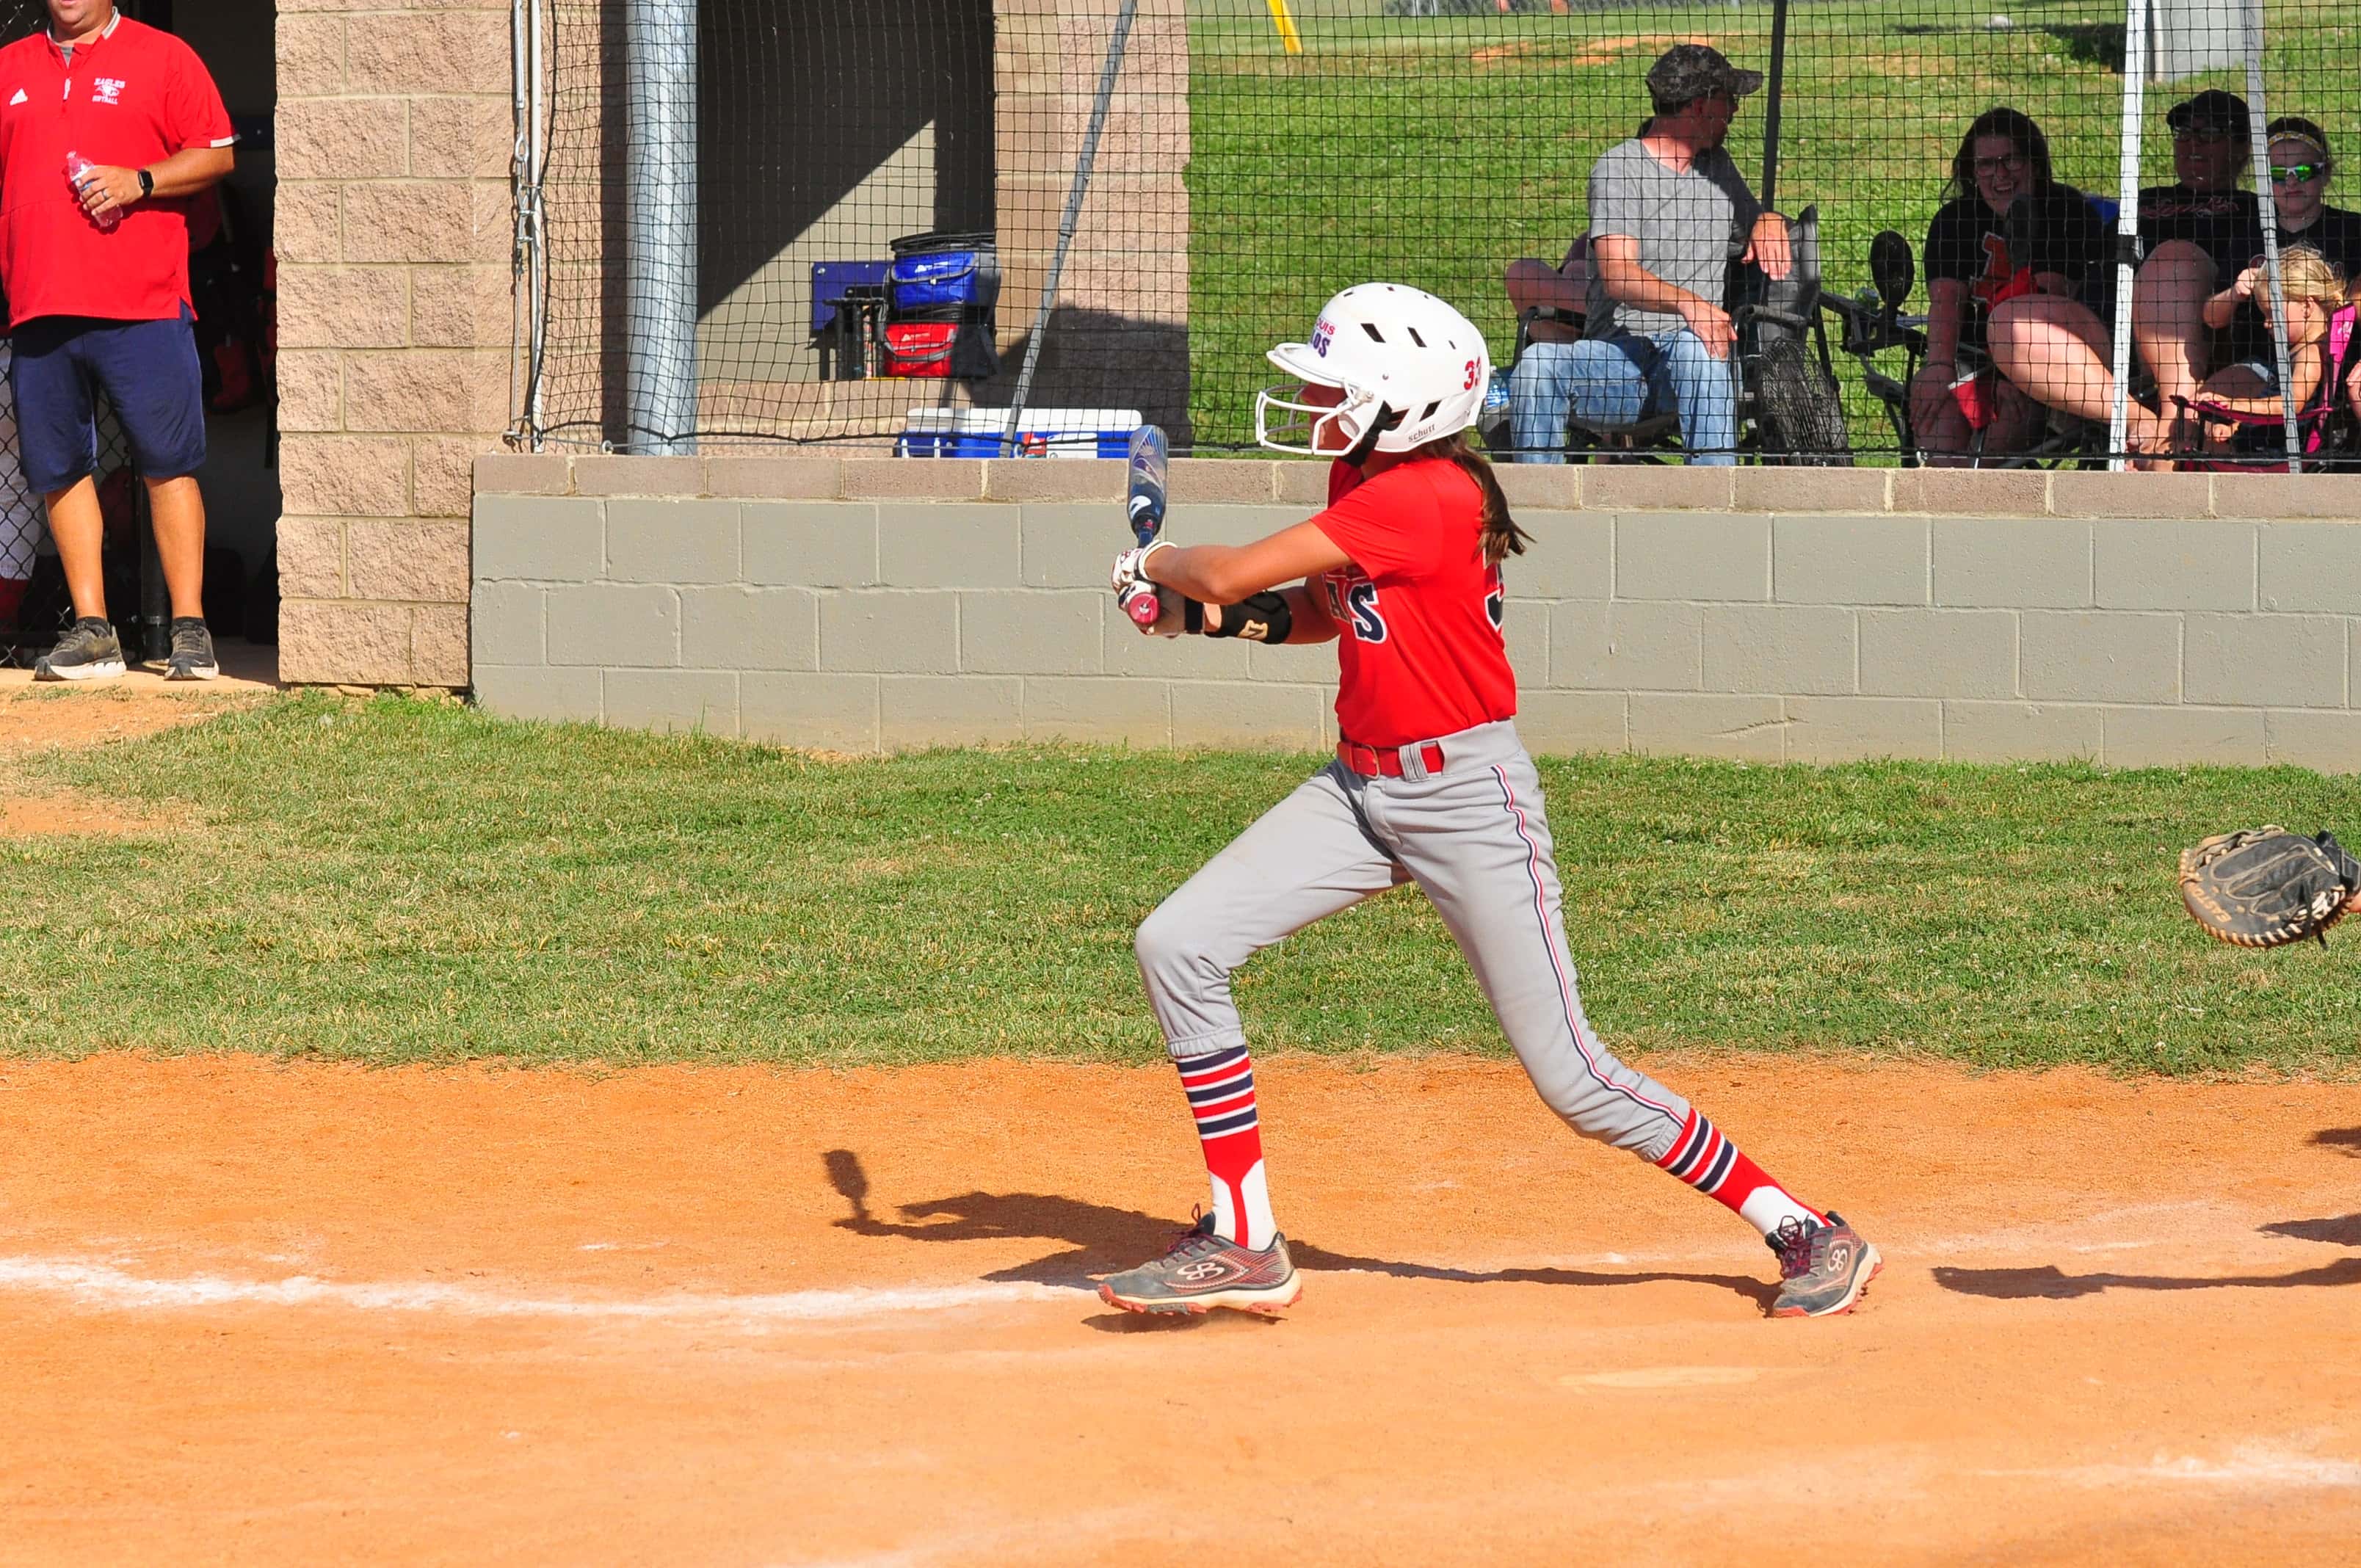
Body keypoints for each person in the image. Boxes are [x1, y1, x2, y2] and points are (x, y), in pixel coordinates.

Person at [1097, 282, 1879, 1321]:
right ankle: (1246, 1240)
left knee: (1575, 1080)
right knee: (1178, 943)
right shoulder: (1367, 473)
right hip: (1364, 791)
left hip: (1468, 800)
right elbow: (1326, 617)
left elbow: (1235, 569)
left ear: (1405, 404)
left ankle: (1801, 1225)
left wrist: (1159, 561)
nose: (1322, 399)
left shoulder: (1424, 496)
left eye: (1340, 384)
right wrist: (1195, 623)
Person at [0, 0, 236, 680]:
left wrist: (140, 180)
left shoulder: (164, 56)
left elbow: (216, 155)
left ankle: (190, 632)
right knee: (60, 468)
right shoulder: (10, 67)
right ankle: (94, 631)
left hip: (144, 302)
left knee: (168, 461)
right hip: (39, 305)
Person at [1504, 44, 1790, 465]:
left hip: (1693, 362)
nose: (1733, 111)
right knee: (1538, 364)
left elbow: (1754, 218)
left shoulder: (1716, 165)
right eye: (1728, 100)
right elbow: (1619, 276)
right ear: (1699, 105)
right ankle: (1542, 513)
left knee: (1699, 348)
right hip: (1621, 360)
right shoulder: (1619, 169)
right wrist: (1691, 304)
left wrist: (1767, 220)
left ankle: (1719, 509)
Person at [1912, 108, 2103, 462]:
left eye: (2010, 161)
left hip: (2039, 362)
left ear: (2034, 163)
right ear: (1972, 171)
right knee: (1940, 434)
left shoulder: (2065, 210)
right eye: (1985, 164)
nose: (1999, 175)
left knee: (2003, 432)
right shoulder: (1953, 221)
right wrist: (1937, 368)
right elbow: (1947, 301)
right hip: (1970, 359)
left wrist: (2010, 375)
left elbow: (2050, 302)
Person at [2184, 247, 2347, 459]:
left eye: (2272, 313)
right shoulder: (2302, 348)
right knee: (2204, 442)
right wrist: (2235, 427)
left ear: (2307, 306)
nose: (2266, 323)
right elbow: (2272, 396)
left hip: (2278, 449)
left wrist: (2233, 404)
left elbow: (2294, 403)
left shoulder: (2310, 353)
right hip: (2264, 436)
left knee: (2189, 450)